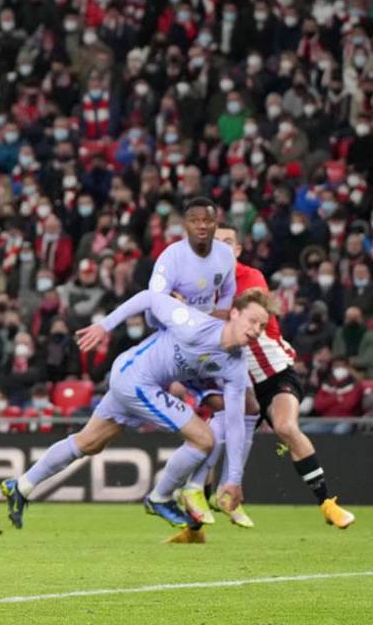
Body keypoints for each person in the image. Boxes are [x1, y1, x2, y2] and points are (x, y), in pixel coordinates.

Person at [2, 288, 272, 534]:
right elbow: (149, 297)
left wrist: (234, 479)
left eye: (262, 326)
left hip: (134, 379)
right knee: (203, 439)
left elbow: (236, 422)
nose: (256, 329)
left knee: (89, 443)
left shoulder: (235, 365)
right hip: (136, 379)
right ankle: (160, 498)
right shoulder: (194, 324)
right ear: (234, 313)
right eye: (252, 320)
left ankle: (22, 485)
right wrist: (104, 326)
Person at [200, 225, 354, 528]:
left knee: (285, 426)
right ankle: (196, 521)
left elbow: (237, 317)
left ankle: (328, 504)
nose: (221, 248)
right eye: (215, 243)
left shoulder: (250, 278)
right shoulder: (201, 283)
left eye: (228, 242)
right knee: (208, 440)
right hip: (235, 382)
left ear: (238, 250)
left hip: (273, 373)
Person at [151, 199, 259, 527]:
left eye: (207, 221)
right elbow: (155, 302)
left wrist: (214, 318)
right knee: (227, 408)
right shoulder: (171, 257)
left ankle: (227, 488)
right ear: (185, 224)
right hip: (182, 344)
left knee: (250, 408)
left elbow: (226, 299)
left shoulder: (224, 256)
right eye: (195, 220)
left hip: (213, 339)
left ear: (216, 223)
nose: (201, 225)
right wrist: (182, 315)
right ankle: (195, 487)